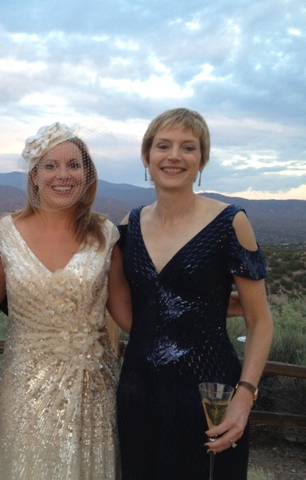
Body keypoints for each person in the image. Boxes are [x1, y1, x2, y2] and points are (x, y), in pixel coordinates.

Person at [116, 108, 274, 479]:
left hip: (209, 396)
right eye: (163, 146)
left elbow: (260, 320)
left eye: (188, 147)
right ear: (146, 156)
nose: (174, 156)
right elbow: (124, 307)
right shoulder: (128, 226)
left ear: (201, 160)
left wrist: (244, 396)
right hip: (138, 393)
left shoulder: (230, 222)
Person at [0, 122, 131, 479]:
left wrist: (211, 309)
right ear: (34, 175)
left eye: (74, 165)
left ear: (87, 174)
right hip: (26, 393)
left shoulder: (105, 235)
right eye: (51, 165)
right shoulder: (6, 235)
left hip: (92, 391)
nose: (63, 175)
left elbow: (129, 316)